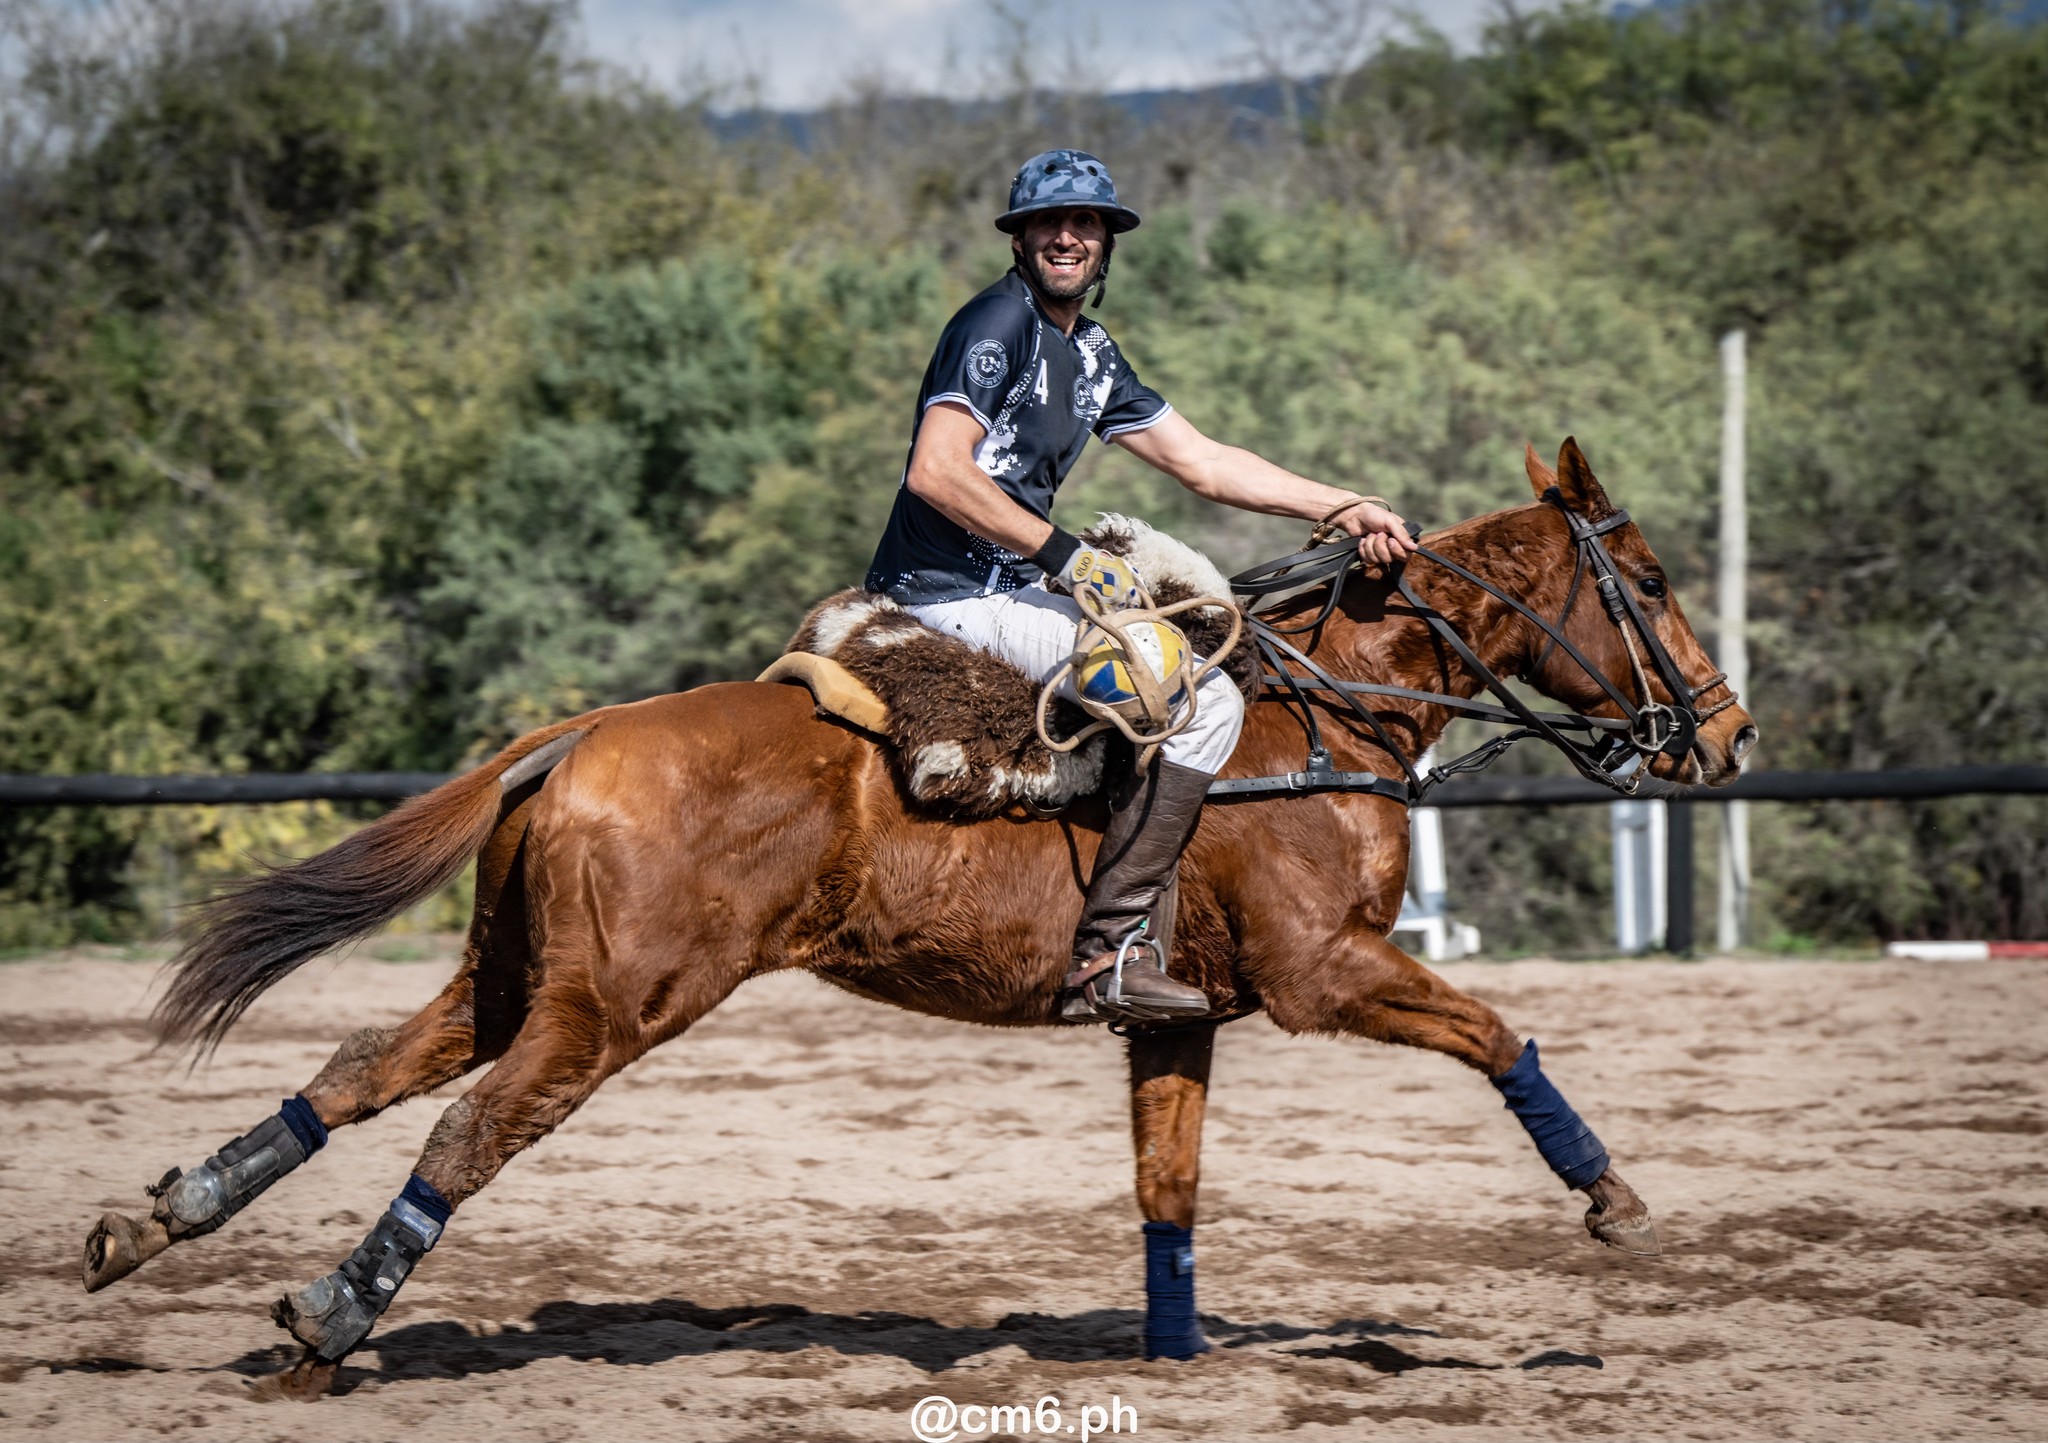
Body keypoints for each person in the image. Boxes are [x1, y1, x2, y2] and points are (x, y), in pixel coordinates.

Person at [864, 148, 1416, 1023]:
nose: (1067, 237)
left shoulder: (1090, 353)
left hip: (1012, 589)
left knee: (1183, 658)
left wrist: (1340, 502)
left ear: (1107, 243)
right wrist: (1069, 556)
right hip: (950, 591)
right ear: (1020, 240)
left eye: (1086, 223)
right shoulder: (994, 326)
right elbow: (936, 472)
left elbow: (1201, 460)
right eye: (1049, 222)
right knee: (1199, 701)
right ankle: (1109, 953)